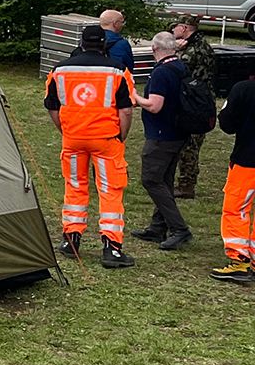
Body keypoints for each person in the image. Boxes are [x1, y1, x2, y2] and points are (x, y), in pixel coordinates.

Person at [45, 30, 136, 267]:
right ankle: (112, 248)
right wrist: (121, 136)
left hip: (73, 138)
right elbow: (126, 110)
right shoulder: (118, 70)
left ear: (81, 44)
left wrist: (65, 130)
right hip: (106, 139)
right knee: (110, 190)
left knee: (75, 186)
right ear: (104, 44)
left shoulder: (59, 70)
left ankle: (71, 239)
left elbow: (52, 106)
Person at [133, 32, 193, 250]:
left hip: (161, 135)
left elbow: (155, 105)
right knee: (164, 180)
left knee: (151, 180)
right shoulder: (181, 67)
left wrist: (135, 97)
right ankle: (158, 227)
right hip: (178, 133)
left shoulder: (161, 72)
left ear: (154, 49)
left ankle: (179, 229)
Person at [212, 73, 255, 283]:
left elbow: (227, 124)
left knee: (236, 208)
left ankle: (239, 259)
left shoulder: (243, 89)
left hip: (247, 160)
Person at [170, 14, 216, 198]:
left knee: (189, 146)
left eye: (176, 27)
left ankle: (186, 185)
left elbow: (177, 71)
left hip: (193, 102)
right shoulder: (203, 45)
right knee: (192, 144)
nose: (174, 31)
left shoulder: (191, 51)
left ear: (185, 28)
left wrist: (174, 52)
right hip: (201, 100)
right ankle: (186, 183)